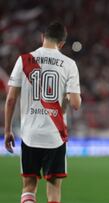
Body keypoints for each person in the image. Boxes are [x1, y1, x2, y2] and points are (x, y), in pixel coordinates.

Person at [4, 22, 81, 203]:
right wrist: (67, 99)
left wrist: (7, 130)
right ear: (62, 44)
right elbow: (76, 104)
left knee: (28, 186)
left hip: (30, 134)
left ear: (42, 38)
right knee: (54, 189)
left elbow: (10, 100)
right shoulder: (69, 64)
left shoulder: (24, 60)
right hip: (55, 135)